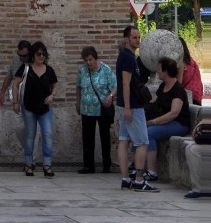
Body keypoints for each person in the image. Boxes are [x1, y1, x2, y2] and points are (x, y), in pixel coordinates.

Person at [116, 24, 158, 192]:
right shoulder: (127, 57)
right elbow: (126, 83)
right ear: (126, 39)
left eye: (138, 37)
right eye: (134, 37)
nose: (137, 40)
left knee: (124, 140)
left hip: (125, 105)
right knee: (142, 142)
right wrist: (127, 107)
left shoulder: (126, 56)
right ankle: (139, 181)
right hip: (132, 106)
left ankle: (126, 179)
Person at [13, 40, 58, 177]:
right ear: (33, 55)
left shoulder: (49, 70)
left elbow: (55, 84)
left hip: (45, 108)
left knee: (47, 134)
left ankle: (47, 165)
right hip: (29, 107)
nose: (41, 56)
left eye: (43, 54)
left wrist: (52, 96)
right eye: (38, 54)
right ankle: (28, 164)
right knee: (30, 135)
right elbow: (15, 84)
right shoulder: (25, 68)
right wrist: (15, 102)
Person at [143, 56, 191, 181]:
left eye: (159, 69)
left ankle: (151, 172)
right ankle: (137, 165)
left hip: (179, 124)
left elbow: (173, 113)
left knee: (149, 133)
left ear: (166, 72)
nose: (158, 71)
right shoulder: (162, 86)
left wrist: (153, 122)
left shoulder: (178, 90)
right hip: (165, 122)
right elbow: (155, 102)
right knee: (140, 131)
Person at [75, 45, 117, 174]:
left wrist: (110, 97)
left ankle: (107, 165)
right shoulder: (82, 70)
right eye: (86, 60)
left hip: (102, 109)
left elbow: (116, 86)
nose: (88, 62)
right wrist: (77, 102)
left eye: (90, 60)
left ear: (95, 58)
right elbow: (78, 87)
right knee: (87, 138)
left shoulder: (105, 70)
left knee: (105, 137)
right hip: (86, 109)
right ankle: (88, 166)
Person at [0, 40, 32, 106]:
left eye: (25, 55)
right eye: (20, 55)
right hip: (17, 99)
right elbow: (9, 76)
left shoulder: (36, 62)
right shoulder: (16, 59)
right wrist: (2, 92)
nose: (22, 58)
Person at [178, 37, 203, 106]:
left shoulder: (181, 62)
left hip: (188, 95)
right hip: (197, 93)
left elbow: (179, 83)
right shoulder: (191, 61)